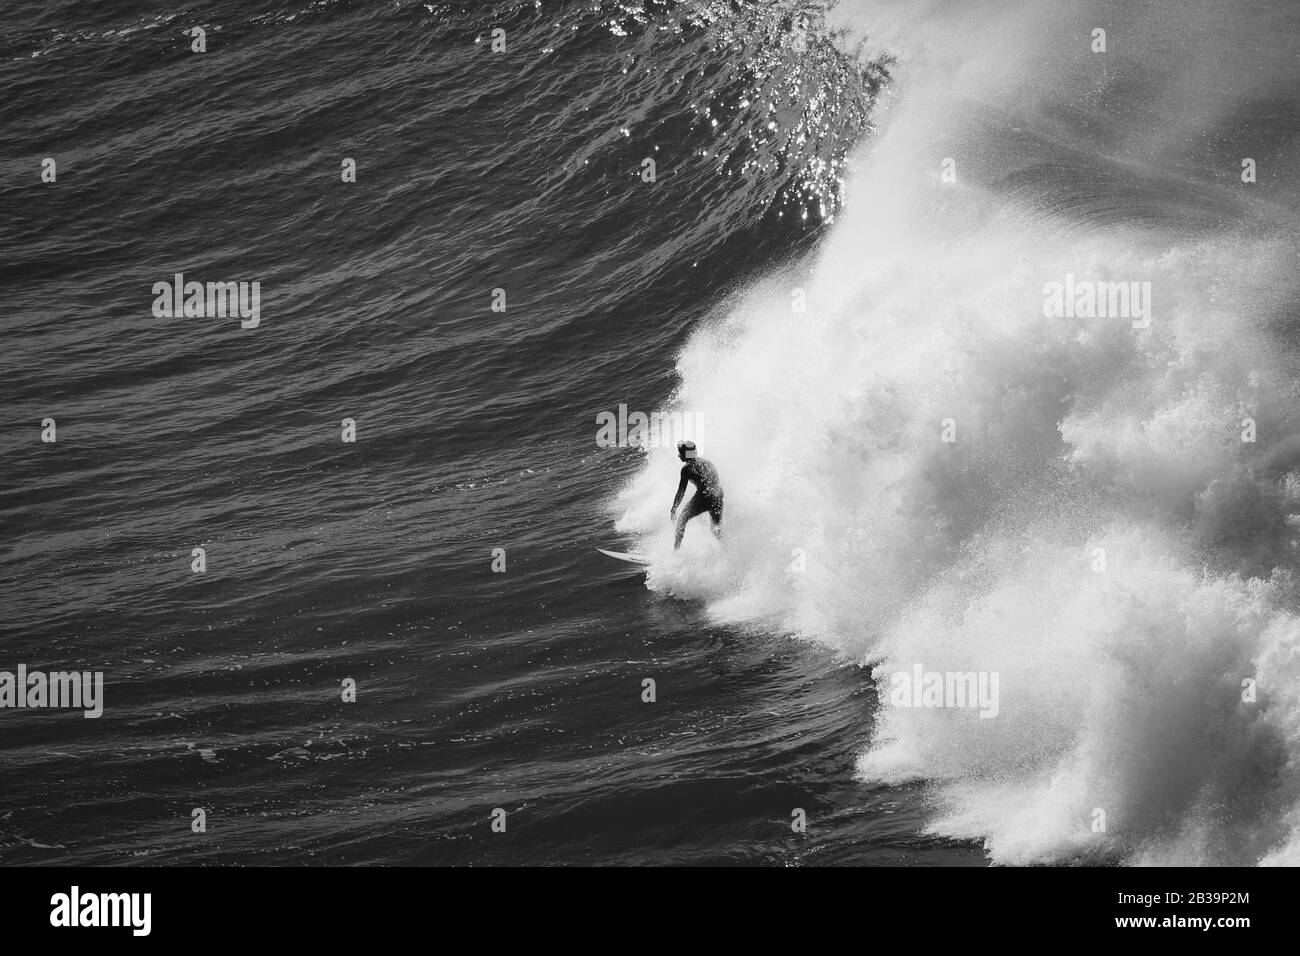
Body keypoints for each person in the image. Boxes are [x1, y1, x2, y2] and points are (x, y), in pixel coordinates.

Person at [670, 440, 723, 549]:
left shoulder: (686, 469)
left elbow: (681, 492)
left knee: (681, 520)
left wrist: (673, 509)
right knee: (716, 528)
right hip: (718, 495)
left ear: (685, 454)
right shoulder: (708, 463)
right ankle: (724, 551)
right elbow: (716, 482)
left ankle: (675, 552)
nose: (678, 455)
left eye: (680, 452)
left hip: (705, 495)